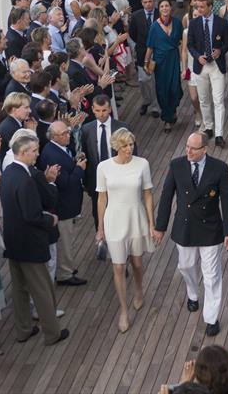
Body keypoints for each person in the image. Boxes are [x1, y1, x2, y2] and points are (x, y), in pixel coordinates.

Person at [154, 132, 228, 337]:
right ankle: (192, 293)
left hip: (210, 229)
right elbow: (166, 197)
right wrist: (160, 227)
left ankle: (211, 318)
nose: (188, 151)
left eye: (193, 148)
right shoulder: (176, 165)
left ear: (204, 149)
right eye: (187, 147)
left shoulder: (219, 168)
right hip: (185, 228)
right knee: (186, 265)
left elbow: (227, 200)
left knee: (212, 276)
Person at [0, 132, 69, 346]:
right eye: (34, 151)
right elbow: (32, 215)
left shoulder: (9, 172)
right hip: (30, 244)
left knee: (19, 289)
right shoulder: (26, 180)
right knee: (42, 289)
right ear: (23, 152)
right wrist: (51, 220)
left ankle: (23, 329)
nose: (37, 155)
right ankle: (52, 333)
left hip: (13, 241)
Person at [95, 127, 155, 333]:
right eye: (125, 146)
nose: (129, 149)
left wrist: (151, 223)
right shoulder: (103, 167)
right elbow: (101, 199)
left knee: (137, 263)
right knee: (118, 267)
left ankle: (139, 290)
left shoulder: (142, 164)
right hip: (114, 221)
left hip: (136, 218)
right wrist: (100, 228)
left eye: (131, 145)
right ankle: (123, 310)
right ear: (116, 147)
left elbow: (148, 195)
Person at [38, 120, 87, 286]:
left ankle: (66, 267)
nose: (68, 135)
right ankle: (65, 273)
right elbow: (65, 183)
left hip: (66, 204)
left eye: (68, 131)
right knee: (65, 240)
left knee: (68, 238)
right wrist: (79, 168)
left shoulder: (57, 149)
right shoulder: (52, 156)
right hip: (62, 207)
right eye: (64, 134)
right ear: (53, 137)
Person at [80, 94, 131, 227]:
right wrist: (87, 182)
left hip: (119, 177)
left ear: (109, 109)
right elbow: (86, 154)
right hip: (96, 180)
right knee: (98, 212)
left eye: (104, 110)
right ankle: (101, 237)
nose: (101, 114)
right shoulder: (86, 129)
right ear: (92, 109)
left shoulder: (122, 127)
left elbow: (131, 154)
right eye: (97, 110)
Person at [187, 0, 228, 148]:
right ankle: (209, 127)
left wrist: (220, 50)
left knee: (218, 101)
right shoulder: (193, 23)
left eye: (202, 7)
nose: (199, 9)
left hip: (217, 66)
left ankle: (219, 134)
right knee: (204, 100)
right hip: (201, 66)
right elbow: (190, 45)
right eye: (198, 7)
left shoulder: (222, 23)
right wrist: (198, 57)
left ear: (210, 7)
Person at [144, 0, 183, 132]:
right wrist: (146, 63)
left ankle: (173, 109)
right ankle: (167, 118)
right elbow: (150, 46)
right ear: (159, 9)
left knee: (175, 88)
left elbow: (183, 43)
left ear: (171, 8)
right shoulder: (154, 26)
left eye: (167, 6)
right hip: (160, 62)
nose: (165, 8)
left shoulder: (177, 23)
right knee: (162, 90)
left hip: (174, 59)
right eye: (162, 6)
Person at [128, 0, 160, 118]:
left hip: (158, 52)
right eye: (145, 2)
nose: (148, 4)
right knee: (144, 79)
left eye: (150, 1)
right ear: (141, 3)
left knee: (156, 80)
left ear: (154, 1)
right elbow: (132, 33)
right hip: (142, 52)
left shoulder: (160, 13)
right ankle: (147, 100)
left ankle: (155, 107)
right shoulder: (136, 16)